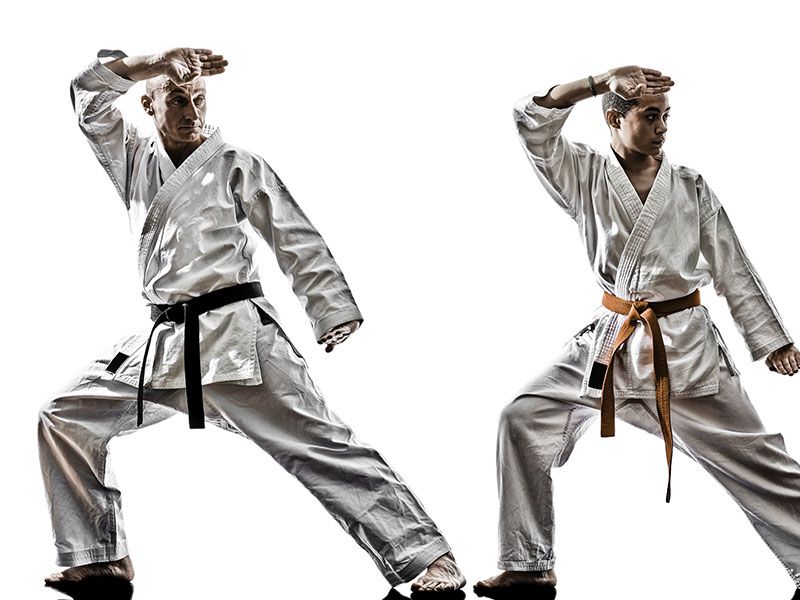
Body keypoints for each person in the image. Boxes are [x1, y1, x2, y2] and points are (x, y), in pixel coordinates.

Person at [39, 47, 465, 596]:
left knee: (321, 447)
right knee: (64, 417)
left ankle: (430, 559)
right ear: (148, 103)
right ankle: (98, 557)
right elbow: (88, 95)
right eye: (177, 99)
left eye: (198, 99)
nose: (192, 112)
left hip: (236, 338)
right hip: (164, 342)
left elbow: (293, 235)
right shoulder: (133, 160)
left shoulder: (234, 163)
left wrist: (329, 308)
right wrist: (155, 61)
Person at [474, 66, 800, 599]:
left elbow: (732, 267)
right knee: (522, 418)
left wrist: (772, 340)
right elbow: (532, 121)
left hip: (683, 351)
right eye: (650, 116)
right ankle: (529, 565)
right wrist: (598, 80)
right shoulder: (584, 174)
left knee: (759, 462)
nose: (662, 128)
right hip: (612, 344)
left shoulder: (690, 186)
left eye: (666, 116)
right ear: (614, 118)